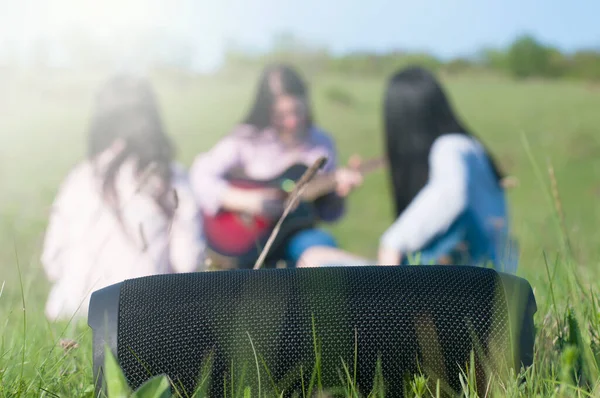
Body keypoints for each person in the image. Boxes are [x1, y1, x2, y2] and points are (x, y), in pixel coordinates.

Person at [298, 66, 518, 273]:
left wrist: (392, 243)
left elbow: (451, 192)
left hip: (446, 290)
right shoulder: (473, 149)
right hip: (462, 282)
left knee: (314, 261)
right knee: (316, 256)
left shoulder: (451, 147)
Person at [42, 75, 206, 322]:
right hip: (144, 314)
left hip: (69, 311)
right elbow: (189, 263)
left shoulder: (79, 176)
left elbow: (51, 262)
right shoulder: (170, 177)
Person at [189, 64, 363, 268]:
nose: (291, 122)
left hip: (297, 235)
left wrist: (339, 195)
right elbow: (199, 175)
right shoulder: (246, 139)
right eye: (281, 115)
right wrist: (245, 200)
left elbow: (327, 214)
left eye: (297, 111)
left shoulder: (322, 143)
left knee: (324, 251)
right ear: (265, 110)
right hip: (249, 241)